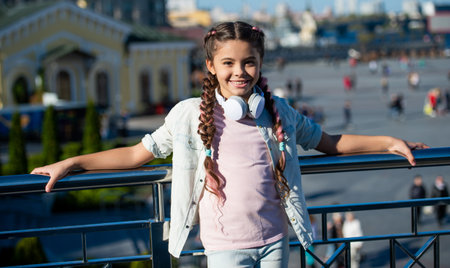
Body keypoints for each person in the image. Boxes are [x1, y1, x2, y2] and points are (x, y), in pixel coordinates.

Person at [31, 21, 428, 268]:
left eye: (249, 62)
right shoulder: (188, 115)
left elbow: (329, 142)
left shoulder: (280, 112)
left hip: (276, 242)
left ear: (260, 63)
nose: (240, 71)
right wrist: (73, 163)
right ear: (210, 66)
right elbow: (137, 154)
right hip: (224, 249)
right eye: (229, 63)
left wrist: (387, 141)